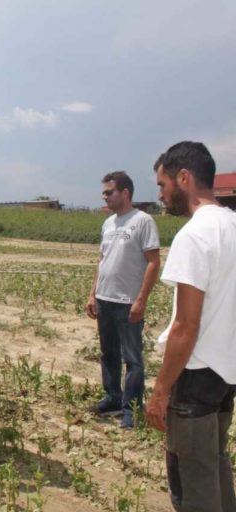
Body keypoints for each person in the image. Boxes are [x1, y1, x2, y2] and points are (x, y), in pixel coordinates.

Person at [147, 141, 236, 511]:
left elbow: (185, 325)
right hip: (227, 372)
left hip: (197, 374)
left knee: (192, 480)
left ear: (184, 178)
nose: (162, 195)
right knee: (215, 461)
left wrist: (161, 391)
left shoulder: (195, 235)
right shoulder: (233, 224)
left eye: (163, 185)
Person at [85, 171, 160, 428]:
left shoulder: (142, 221)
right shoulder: (108, 223)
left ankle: (131, 409)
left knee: (133, 359)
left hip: (128, 301)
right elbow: (103, 261)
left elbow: (153, 263)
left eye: (109, 192)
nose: (104, 196)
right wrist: (93, 293)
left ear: (125, 193)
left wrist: (141, 300)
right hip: (105, 299)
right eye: (104, 192)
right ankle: (113, 398)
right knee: (108, 354)